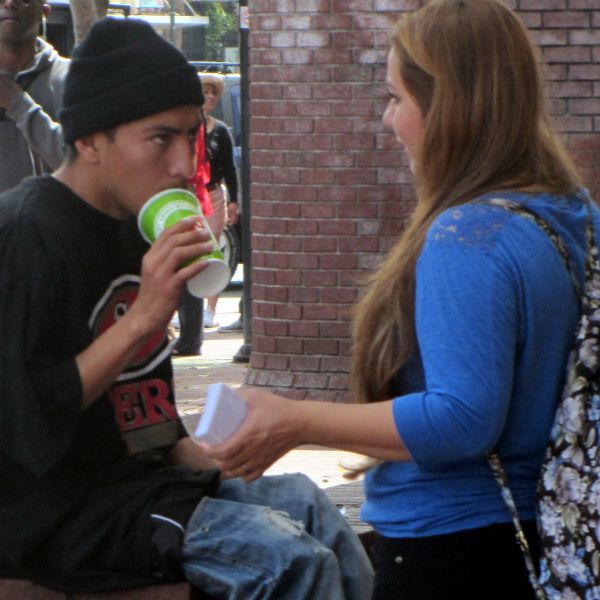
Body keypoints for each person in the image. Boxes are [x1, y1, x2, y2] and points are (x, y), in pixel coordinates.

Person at [202, 1, 600, 599]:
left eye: (395, 98)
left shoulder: (467, 236)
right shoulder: (575, 214)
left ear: (448, 110)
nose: (389, 122)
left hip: (455, 551)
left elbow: (461, 419)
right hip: (548, 542)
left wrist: (295, 419)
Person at [0, 17, 373, 599]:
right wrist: (145, 317)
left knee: (311, 508)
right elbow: (29, 423)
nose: (181, 164)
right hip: (56, 513)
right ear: (90, 140)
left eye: (190, 136)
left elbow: (144, 408)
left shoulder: (134, 226)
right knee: (287, 559)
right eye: (160, 138)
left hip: (142, 486)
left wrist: (202, 458)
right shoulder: (29, 233)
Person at [0, 0, 68, 193]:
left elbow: (87, 167)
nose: (10, 4)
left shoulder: (73, 79)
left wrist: (18, 104)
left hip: (49, 220)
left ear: (44, 12)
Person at [199, 72, 240, 328]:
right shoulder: (185, 127)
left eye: (214, 92)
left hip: (213, 196)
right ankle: (187, 311)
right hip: (190, 196)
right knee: (189, 252)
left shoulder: (221, 130)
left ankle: (210, 309)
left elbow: (229, 168)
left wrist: (234, 201)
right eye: (205, 91)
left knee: (212, 253)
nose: (210, 96)